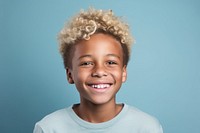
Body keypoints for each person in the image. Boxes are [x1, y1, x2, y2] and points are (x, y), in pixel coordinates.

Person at [33, 8, 163, 133]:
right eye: (87, 63)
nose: (100, 72)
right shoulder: (49, 128)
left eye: (111, 62)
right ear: (70, 74)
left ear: (124, 72)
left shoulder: (146, 128)